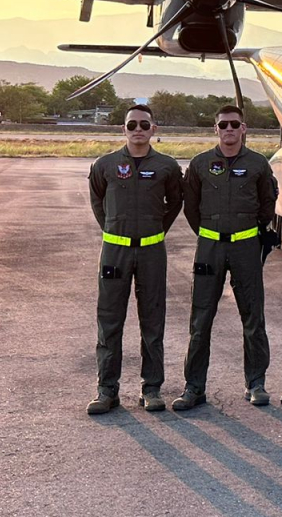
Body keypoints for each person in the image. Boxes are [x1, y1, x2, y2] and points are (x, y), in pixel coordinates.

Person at [173, 104, 279, 411]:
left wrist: (249, 234)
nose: (229, 129)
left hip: (246, 247)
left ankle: (256, 383)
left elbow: (267, 204)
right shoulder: (201, 163)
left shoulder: (258, 164)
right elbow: (190, 207)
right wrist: (209, 233)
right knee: (200, 318)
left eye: (235, 124)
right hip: (209, 247)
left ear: (244, 128)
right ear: (215, 130)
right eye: (223, 125)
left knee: (253, 316)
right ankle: (194, 387)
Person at [86, 104, 183, 414]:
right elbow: (98, 203)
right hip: (115, 252)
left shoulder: (167, 166)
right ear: (123, 129)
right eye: (132, 125)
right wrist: (116, 231)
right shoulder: (106, 165)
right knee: (110, 320)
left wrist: (154, 231)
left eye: (144, 124)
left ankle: (152, 388)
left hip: (152, 251)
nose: (138, 129)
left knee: (152, 320)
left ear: (154, 129)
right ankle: (106, 390)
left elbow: (175, 203)